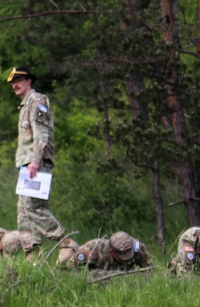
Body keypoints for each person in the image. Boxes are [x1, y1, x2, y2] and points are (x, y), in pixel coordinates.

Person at [8, 67, 64, 257]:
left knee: (33, 206)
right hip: (27, 164)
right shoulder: (25, 104)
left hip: (36, 164)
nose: (15, 84)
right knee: (23, 213)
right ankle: (33, 258)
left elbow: (41, 134)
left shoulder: (37, 101)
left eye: (19, 80)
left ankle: (66, 242)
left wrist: (35, 161)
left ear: (29, 81)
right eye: (13, 82)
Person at [65, 231, 153, 271]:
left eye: (128, 253)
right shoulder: (94, 248)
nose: (126, 258)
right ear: (111, 251)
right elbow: (71, 265)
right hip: (99, 281)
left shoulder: (137, 247)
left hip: (128, 280)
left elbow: (150, 268)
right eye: (122, 255)